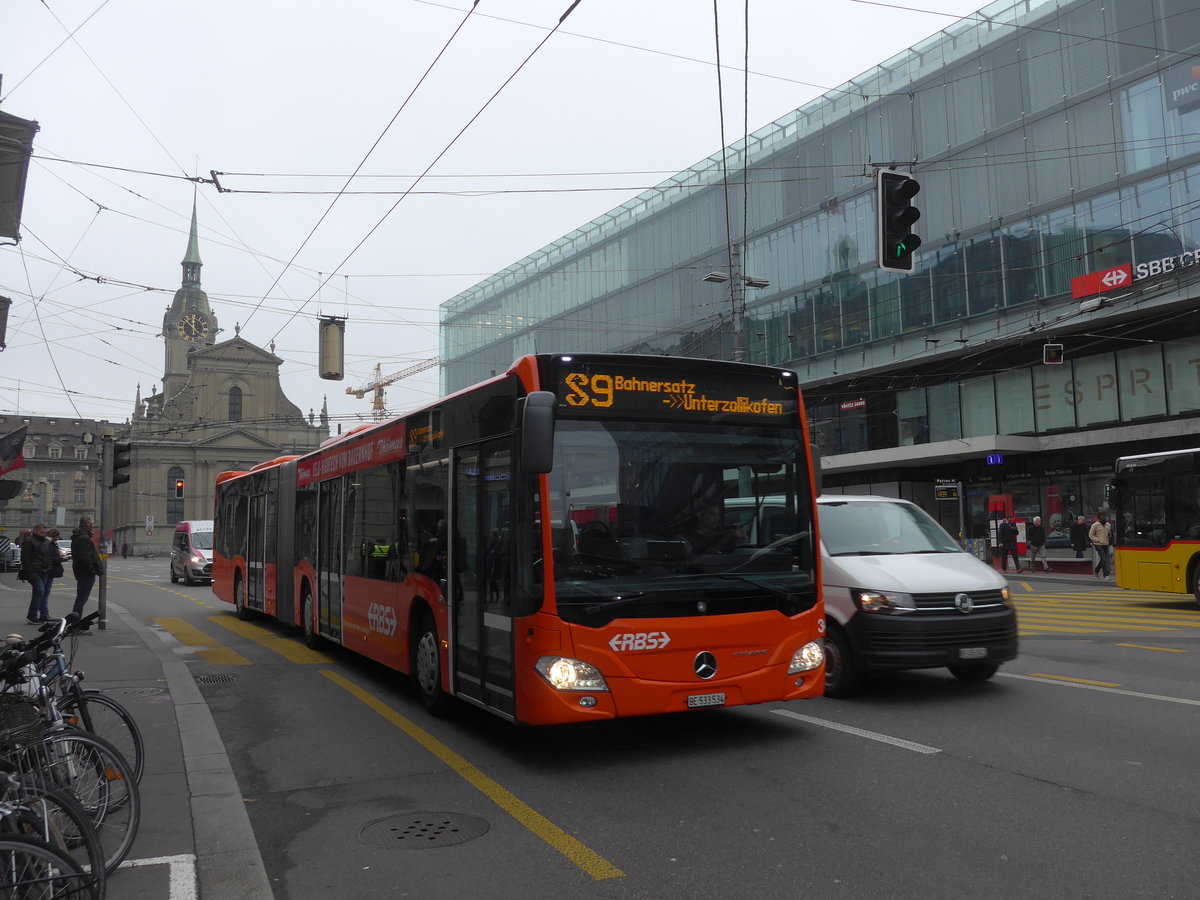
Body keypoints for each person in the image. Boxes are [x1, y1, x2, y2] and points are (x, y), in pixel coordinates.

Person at [69, 516, 104, 630]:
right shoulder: (84, 538)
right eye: (92, 524)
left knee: (81, 598)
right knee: (81, 599)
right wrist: (92, 571)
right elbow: (86, 558)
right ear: (88, 525)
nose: (93, 526)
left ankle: (75, 622)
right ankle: (75, 624)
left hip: (81, 572)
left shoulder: (79, 536)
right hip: (85, 573)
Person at [19, 523, 56, 625]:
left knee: (40, 592)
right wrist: (30, 570)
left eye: (45, 532)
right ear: (36, 531)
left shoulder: (45, 542)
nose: (44, 534)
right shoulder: (29, 542)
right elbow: (25, 558)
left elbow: (48, 556)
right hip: (34, 571)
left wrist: (48, 568)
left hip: (43, 570)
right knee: (39, 590)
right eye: (42, 532)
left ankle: (38, 615)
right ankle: (32, 616)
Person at [1090, 512, 1114, 579]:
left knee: (1104, 559)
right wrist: (1097, 540)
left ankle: (1096, 570)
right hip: (1098, 544)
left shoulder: (1108, 525)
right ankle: (1106, 575)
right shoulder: (1095, 525)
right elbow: (1091, 535)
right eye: (1101, 516)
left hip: (1106, 544)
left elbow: (1110, 534)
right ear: (1098, 517)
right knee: (1103, 558)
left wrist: (1111, 540)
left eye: (1104, 516)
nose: (1103, 517)